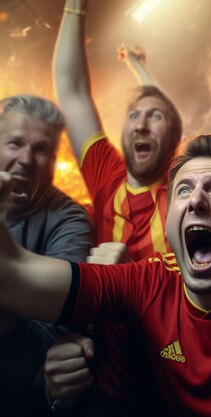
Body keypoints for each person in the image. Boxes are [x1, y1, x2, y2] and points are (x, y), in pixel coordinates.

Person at [0, 134, 211, 416]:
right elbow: (14, 276)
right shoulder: (148, 282)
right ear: (168, 225)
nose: (196, 200)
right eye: (183, 190)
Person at [52, 0, 183, 412]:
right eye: (133, 115)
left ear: (175, 137)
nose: (142, 123)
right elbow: (71, 90)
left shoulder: (188, 194)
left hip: (172, 389)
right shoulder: (106, 173)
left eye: (155, 116)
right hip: (104, 386)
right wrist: (76, 5)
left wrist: (131, 278)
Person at [0, 94, 94, 416]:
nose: (26, 158)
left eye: (40, 149)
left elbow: (50, 339)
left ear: (54, 163)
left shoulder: (70, 220)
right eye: (14, 143)